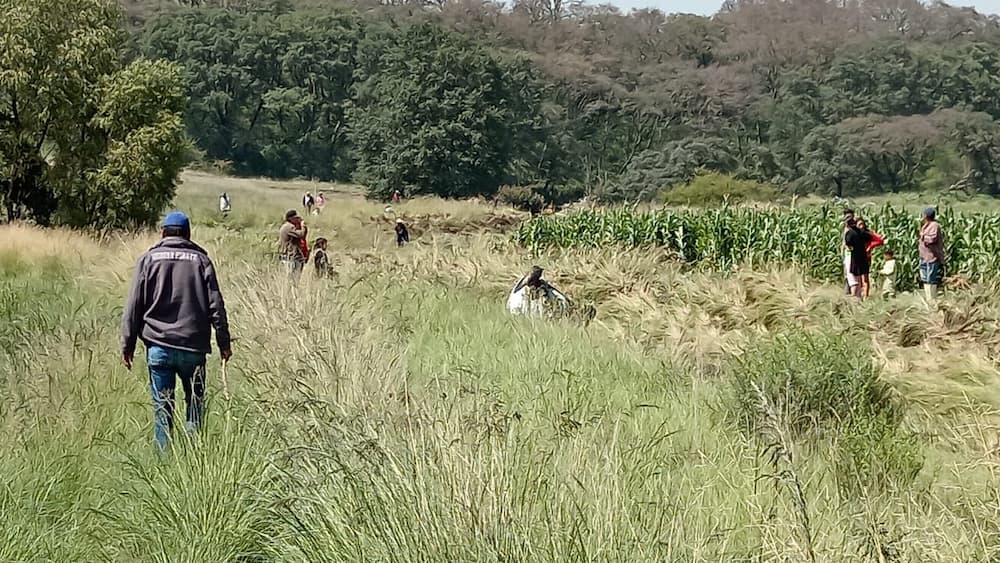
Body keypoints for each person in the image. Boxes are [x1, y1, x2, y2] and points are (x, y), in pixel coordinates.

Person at [120, 211, 232, 453]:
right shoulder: (202, 261)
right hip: (193, 347)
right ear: (188, 233)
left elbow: (134, 305)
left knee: (163, 409)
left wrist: (127, 344)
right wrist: (224, 342)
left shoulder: (148, 260)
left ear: (163, 232)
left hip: (158, 346)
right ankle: (193, 459)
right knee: (194, 405)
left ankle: (164, 464)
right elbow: (216, 305)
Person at [919, 207, 945, 302]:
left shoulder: (934, 225)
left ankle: (932, 299)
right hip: (924, 256)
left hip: (932, 257)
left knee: (931, 279)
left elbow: (932, 239)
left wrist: (923, 237)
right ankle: (928, 299)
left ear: (926, 215)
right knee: (925, 278)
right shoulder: (925, 225)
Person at [844, 217, 872, 300]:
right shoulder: (861, 232)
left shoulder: (849, 233)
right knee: (863, 279)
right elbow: (869, 237)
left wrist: (851, 247)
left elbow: (848, 243)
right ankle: (863, 298)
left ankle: (856, 298)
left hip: (855, 259)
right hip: (863, 257)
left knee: (855, 280)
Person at [856, 217, 884, 299]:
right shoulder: (855, 233)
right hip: (857, 258)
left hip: (866, 258)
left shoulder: (868, 233)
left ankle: (865, 296)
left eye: (862, 224)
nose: (861, 226)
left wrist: (870, 246)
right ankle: (859, 295)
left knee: (865, 278)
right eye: (859, 224)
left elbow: (880, 240)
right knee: (858, 278)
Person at [278, 209, 308, 282]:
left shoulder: (286, 226)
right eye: (296, 218)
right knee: (293, 279)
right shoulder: (289, 227)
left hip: (289, 256)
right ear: (290, 218)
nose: (297, 220)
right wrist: (303, 226)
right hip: (291, 257)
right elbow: (301, 234)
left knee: (291, 279)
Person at [842, 208, 855, 296]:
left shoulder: (854, 228)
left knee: (852, 273)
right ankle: (847, 292)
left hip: (852, 253)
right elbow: (843, 241)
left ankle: (853, 293)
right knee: (846, 273)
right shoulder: (845, 228)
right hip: (845, 253)